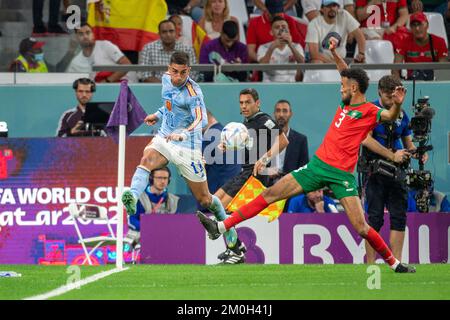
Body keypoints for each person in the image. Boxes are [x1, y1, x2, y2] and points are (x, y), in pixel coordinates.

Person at [197, 39, 416, 273]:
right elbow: (345, 71)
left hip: (341, 176)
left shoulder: (370, 111)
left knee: (362, 227)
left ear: (353, 88)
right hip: (316, 167)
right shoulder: (345, 102)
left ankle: (394, 263)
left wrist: (396, 105)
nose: (339, 87)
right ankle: (220, 227)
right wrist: (333, 53)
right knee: (271, 194)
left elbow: (391, 117)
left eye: (343, 85)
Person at [121, 51, 240, 265]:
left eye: (183, 73)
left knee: (205, 200)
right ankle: (133, 197)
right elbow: (168, 106)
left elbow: (201, 121)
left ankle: (232, 239)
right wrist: (156, 116)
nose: (177, 77)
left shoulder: (194, 92)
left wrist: (183, 132)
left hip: (188, 147)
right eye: (174, 72)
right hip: (166, 137)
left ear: (189, 71)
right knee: (146, 159)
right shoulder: (166, 80)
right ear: (169, 68)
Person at [211, 88, 289, 264]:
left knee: (221, 207)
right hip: (244, 171)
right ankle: (236, 246)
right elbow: (251, 147)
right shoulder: (246, 123)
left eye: (248, 102)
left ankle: (235, 251)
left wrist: (266, 158)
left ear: (257, 103)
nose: (244, 106)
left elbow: (283, 141)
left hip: (254, 175)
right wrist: (228, 146)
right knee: (214, 202)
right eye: (241, 103)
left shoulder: (265, 120)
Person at [359, 75, 426, 264]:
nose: (392, 101)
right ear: (380, 92)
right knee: (375, 219)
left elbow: (408, 143)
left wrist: (417, 153)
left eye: (394, 97)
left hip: (397, 173)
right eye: (389, 97)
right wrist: (391, 155)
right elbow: (365, 139)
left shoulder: (402, 115)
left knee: (398, 217)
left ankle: (396, 263)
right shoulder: (369, 110)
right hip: (374, 172)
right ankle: (370, 265)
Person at [126, 167, 180, 248]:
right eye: (159, 178)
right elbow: (132, 220)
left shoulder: (173, 200)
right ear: (151, 179)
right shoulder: (139, 198)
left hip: (164, 240)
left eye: (165, 178)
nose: (162, 181)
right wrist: (150, 229)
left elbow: (177, 224)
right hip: (139, 238)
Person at [66, 22, 133, 82]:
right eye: (81, 34)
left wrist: (106, 81)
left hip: (125, 86)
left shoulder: (105, 45)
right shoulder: (76, 62)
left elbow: (127, 64)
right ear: (76, 38)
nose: (85, 36)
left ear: (93, 34)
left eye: (88, 32)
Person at [393, 12, 448, 81]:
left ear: (427, 25)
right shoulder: (403, 42)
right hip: (412, 82)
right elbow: (395, 68)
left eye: (420, 24)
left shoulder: (440, 42)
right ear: (410, 28)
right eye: (414, 25)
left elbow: (443, 69)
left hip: (433, 82)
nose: (417, 28)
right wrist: (399, 84)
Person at [202, 109, 241, 195]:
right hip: (233, 196)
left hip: (216, 198)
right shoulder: (227, 135)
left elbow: (197, 169)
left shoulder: (209, 138)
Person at [270, 99, 309, 184]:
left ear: (290, 114)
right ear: (274, 114)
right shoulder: (264, 138)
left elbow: (304, 170)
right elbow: (256, 168)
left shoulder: (300, 140)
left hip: (290, 189)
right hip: (265, 188)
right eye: (278, 111)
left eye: (285, 111)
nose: (281, 114)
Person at [257, 16, 305, 82]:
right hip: (270, 83)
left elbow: (302, 63)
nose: (281, 29)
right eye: (277, 27)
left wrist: (290, 45)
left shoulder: (296, 46)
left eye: (283, 27)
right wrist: (271, 48)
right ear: (271, 32)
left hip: (291, 83)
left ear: (288, 30)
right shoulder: (263, 47)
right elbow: (261, 67)